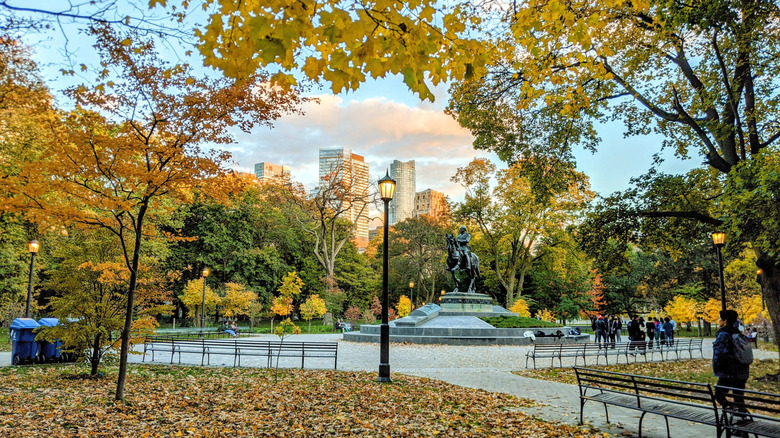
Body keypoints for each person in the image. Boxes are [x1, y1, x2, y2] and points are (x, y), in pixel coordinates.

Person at [713, 309, 750, 422]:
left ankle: (733, 416)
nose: (718, 320)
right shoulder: (738, 333)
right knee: (739, 397)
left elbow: (720, 354)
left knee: (719, 395)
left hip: (728, 372)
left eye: (720, 318)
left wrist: (720, 369)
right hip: (742, 370)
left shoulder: (723, 334)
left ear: (724, 321)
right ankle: (743, 423)